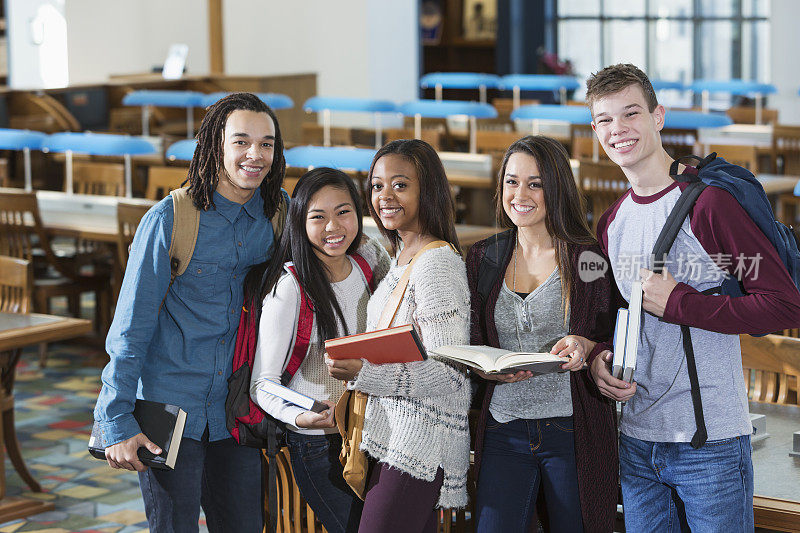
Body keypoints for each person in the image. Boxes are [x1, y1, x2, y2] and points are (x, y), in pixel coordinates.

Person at [586, 63, 800, 532]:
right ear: (594, 129)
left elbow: (784, 304)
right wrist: (601, 358)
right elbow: (618, 321)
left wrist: (682, 301)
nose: (618, 130)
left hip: (709, 445)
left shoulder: (708, 204)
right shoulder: (611, 221)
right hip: (637, 440)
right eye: (605, 119)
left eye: (631, 113)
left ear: (658, 116)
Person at [93, 92, 288, 532]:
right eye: (241, 142)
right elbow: (130, 328)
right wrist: (116, 418)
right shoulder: (170, 218)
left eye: (267, 144)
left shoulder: (280, 217)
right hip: (170, 406)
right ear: (214, 146)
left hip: (238, 412)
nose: (255, 155)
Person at [466, 135, 618, 532]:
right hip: (504, 426)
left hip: (572, 429)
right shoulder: (483, 257)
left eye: (535, 183)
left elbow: (615, 331)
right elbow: (471, 338)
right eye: (511, 181)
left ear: (557, 188)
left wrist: (589, 345)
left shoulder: (588, 258)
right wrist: (480, 367)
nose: (521, 194)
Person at [326, 139, 471, 533]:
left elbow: (451, 373)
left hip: (419, 443)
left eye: (400, 185)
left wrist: (364, 372)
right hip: (396, 437)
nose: (384, 196)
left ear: (429, 191)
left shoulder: (436, 263)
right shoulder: (401, 258)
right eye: (376, 186)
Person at [249, 167, 390, 533]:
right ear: (300, 221)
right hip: (319, 445)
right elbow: (262, 383)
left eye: (343, 212)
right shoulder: (290, 287)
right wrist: (300, 418)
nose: (333, 227)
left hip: (371, 434)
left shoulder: (369, 261)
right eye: (318, 217)